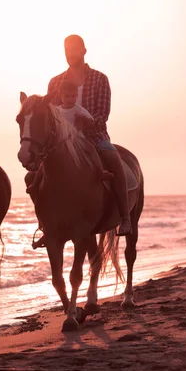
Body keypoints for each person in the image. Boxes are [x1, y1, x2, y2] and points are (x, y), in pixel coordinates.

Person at [31, 35, 131, 250]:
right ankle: (45, 226)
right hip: (63, 142)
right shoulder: (55, 82)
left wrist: (85, 125)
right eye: (66, 50)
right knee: (33, 175)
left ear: (84, 51)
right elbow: (51, 114)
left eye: (74, 49)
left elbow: (103, 113)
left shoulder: (99, 79)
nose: (70, 54)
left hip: (95, 137)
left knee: (114, 160)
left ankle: (125, 217)